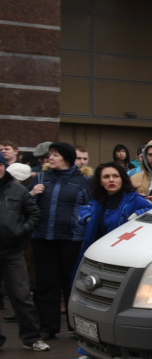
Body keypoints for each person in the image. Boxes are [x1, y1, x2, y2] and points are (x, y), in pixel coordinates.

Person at [68, 163, 152, 359]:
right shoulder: (99, 202)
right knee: (89, 307)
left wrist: (137, 218)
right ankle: (88, 352)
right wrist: (87, 217)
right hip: (96, 260)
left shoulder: (134, 201)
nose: (111, 180)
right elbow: (81, 212)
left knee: (108, 310)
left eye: (115, 176)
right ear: (100, 181)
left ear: (122, 179)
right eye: (106, 176)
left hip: (122, 262)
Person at [28, 142, 93, 342]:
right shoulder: (40, 178)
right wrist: (32, 195)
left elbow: (91, 207)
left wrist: (82, 225)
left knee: (71, 283)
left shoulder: (83, 181)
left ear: (66, 157)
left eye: (55, 155)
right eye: (50, 155)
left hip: (71, 239)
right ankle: (48, 327)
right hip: (43, 238)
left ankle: (75, 327)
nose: (50, 158)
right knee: (46, 284)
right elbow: (26, 205)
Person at [0, 162, 48, 352]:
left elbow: (34, 214)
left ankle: (32, 338)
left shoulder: (17, 189)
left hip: (12, 252)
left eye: (1, 164)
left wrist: (21, 232)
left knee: (22, 296)